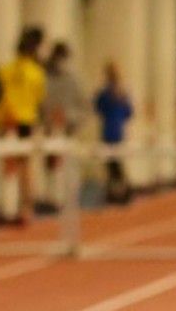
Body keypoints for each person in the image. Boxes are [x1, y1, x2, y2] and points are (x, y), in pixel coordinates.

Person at [0, 27, 47, 222]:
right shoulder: (36, 73)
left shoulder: (5, 70)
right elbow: (40, 99)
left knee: (8, 165)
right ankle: (26, 207)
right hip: (26, 120)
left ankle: (8, 207)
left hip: (7, 120)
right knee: (25, 165)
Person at [42, 41, 90, 209]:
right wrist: (47, 119)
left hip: (69, 131)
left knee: (68, 165)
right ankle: (52, 199)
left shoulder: (74, 80)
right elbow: (40, 106)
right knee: (51, 166)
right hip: (49, 130)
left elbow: (85, 109)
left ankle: (69, 198)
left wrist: (68, 117)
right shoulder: (44, 77)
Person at [93, 62, 135, 204]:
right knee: (113, 165)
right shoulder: (116, 92)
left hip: (112, 132)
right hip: (114, 132)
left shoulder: (110, 93)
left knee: (114, 165)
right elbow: (128, 112)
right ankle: (117, 192)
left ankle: (123, 192)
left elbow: (98, 107)